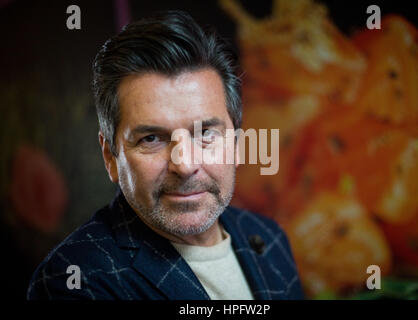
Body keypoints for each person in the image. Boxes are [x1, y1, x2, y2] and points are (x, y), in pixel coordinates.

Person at [27, 10, 304, 300]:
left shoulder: (270, 238)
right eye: (151, 138)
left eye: (205, 133)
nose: (185, 165)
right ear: (110, 156)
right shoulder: (76, 279)